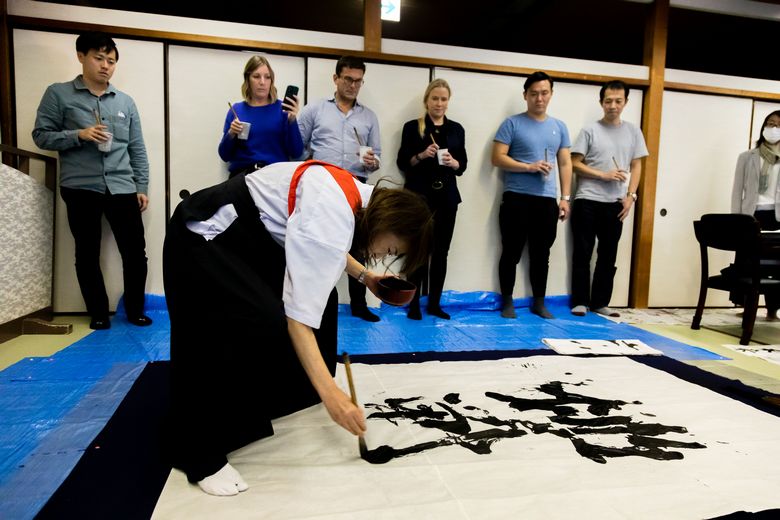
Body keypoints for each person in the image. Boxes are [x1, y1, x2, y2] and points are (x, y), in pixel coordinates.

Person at [163, 160, 432, 496]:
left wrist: (367, 277)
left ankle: (277, 397)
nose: (381, 255)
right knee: (255, 321)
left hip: (249, 240)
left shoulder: (359, 199)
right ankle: (199, 453)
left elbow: (322, 246)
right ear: (388, 221)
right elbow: (298, 321)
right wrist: (333, 396)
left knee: (326, 302)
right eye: (390, 249)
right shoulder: (330, 213)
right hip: (207, 238)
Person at [32, 31, 152, 330]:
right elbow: (40, 135)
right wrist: (78, 135)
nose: (105, 66)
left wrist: (142, 186)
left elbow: (137, 147)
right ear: (81, 56)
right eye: (99, 58)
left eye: (111, 61)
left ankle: (135, 310)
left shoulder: (125, 101)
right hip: (80, 186)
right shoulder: (58, 94)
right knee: (87, 253)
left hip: (122, 186)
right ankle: (98, 312)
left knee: (136, 253)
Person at [298, 56, 382, 322]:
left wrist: (372, 162)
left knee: (358, 247)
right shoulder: (315, 110)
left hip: (357, 188)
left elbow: (377, 158)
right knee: (318, 245)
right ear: (336, 79)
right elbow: (296, 148)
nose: (353, 85)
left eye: (358, 81)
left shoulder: (369, 117)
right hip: (322, 187)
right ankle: (314, 304)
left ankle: (359, 305)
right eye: (348, 79)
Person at [491, 71, 573, 320]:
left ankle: (539, 302)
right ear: (525, 95)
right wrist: (529, 166)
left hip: (547, 200)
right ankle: (507, 301)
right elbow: (497, 158)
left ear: (551, 94)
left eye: (544, 93)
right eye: (534, 93)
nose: (539, 98)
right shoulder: (512, 123)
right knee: (511, 252)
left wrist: (565, 198)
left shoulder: (559, 127)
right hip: (516, 197)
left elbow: (566, 163)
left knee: (542, 255)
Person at [569, 80, 648, 318]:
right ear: (601, 102)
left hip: (616, 202)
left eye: (618, 101)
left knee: (608, 254)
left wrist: (631, 196)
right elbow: (574, 163)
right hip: (587, 200)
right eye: (608, 101)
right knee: (583, 252)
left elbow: (637, 164)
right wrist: (602, 174)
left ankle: (600, 302)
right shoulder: (589, 130)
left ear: (625, 102)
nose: (613, 105)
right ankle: (580, 301)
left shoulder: (633, 131)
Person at [396, 78, 467, 320]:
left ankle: (434, 303)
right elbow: (403, 163)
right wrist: (422, 155)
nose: (439, 103)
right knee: (418, 250)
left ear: (449, 101)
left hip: (447, 197)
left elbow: (463, 165)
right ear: (426, 100)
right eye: (435, 98)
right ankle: (413, 303)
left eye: (443, 99)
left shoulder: (456, 129)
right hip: (419, 197)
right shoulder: (412, 127)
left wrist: (454, 162)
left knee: (441, 252)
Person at [218, 55, 303, 178]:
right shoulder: (236, 110)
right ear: (248, 79)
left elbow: (296, 152)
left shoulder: (283, 109)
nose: (262, 82)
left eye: (267, 77)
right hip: (243, 178)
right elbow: (224, 156)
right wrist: (231, 133)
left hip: (275, 177)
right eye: (256, 76)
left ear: (271, 81)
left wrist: (292, 120)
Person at [731, 110, 780, 319]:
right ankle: (745, 305)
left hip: (776, 216)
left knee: (775, 262)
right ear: (763, 127)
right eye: (770, 124)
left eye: (778, 125)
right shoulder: (747, 156)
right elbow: (737, 190)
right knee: (747, 259)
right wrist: (736, 219)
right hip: (751, 214)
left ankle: (773, 308)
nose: (774, 129)